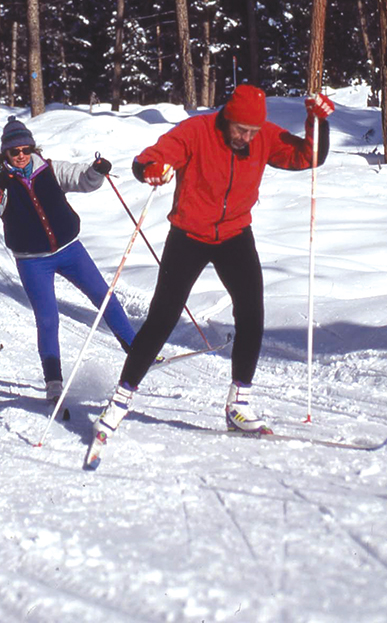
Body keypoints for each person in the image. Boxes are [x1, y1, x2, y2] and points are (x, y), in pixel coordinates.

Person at [92, 85, 334, 448]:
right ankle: (120, 400)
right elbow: (148, 158)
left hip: (235, 234)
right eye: (240, 130)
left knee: (252, 314)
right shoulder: (197, 131)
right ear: (227, 119)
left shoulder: (263, 136)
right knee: (162, 319)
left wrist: (317, 122)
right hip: (189, 234)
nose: (246, 138)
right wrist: (152, 170)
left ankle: (239, 404)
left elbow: (307, 157)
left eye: (252, 132)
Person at [0, 116, 136, 404]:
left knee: (105, 297)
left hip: (70, 250)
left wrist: (97, 171)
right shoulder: (1, 181)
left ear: (33, 149)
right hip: (32, 260)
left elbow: (83, 179)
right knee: (48, 319)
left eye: (26, 149)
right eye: (15, 152)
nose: (22, 156)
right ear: (6, 154)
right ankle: (53, 382)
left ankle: (136, 351)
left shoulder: (50, 169)